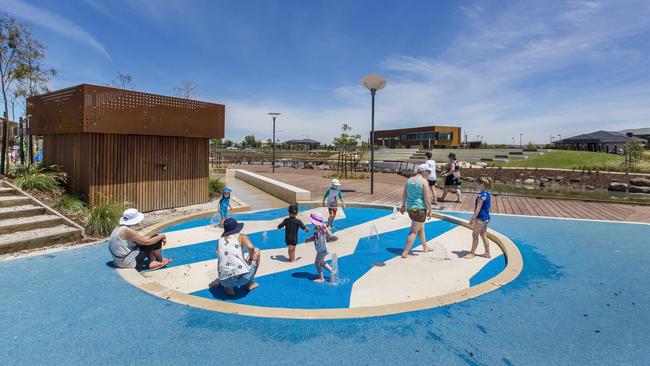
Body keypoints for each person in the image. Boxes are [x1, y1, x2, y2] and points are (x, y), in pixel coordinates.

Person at [209, 218, 261, 295]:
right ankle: (249, 284)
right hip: (243, 278)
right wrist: (252, 256)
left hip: (224, 281)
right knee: (256, 250)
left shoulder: (220, 240)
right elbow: (251, 247)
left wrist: (220, 279)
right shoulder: (241, 236)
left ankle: (229, 289)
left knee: (225, 258)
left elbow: (220, 261)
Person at [399, 164, 433, 258]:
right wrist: (430, 210)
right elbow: (427, 198)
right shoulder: (424, 181)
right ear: (423, 171)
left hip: (411, 209)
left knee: (420, 228)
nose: (429, 174)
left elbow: (404, 194)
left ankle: (425, 247)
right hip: (420, 209)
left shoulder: (409, 180)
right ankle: (405, 252)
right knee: (413, 231)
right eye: (428, 171)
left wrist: (403, 206)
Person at [465, 177, 492, 259]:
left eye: (477, 184)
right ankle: (487, 253)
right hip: (486, 217)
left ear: (482, 185)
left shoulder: (481, 196)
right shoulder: (487, 194)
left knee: (475, 235)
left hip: (480, 218)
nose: (476, 186)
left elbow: (478, 208)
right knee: (483, 235)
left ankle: (472, 253)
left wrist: (473, 218)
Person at [306, 212, 336, 283]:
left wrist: (326, 228)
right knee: (321, 263)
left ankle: (321, 278)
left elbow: (330, 235)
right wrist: (309, 239)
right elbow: (315, 237)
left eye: (312, 221)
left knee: (317, 263)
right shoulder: (317, 228)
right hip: (320, 249)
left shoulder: (321, 228)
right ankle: (332, 271)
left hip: (322, 250)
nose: (312, 223)